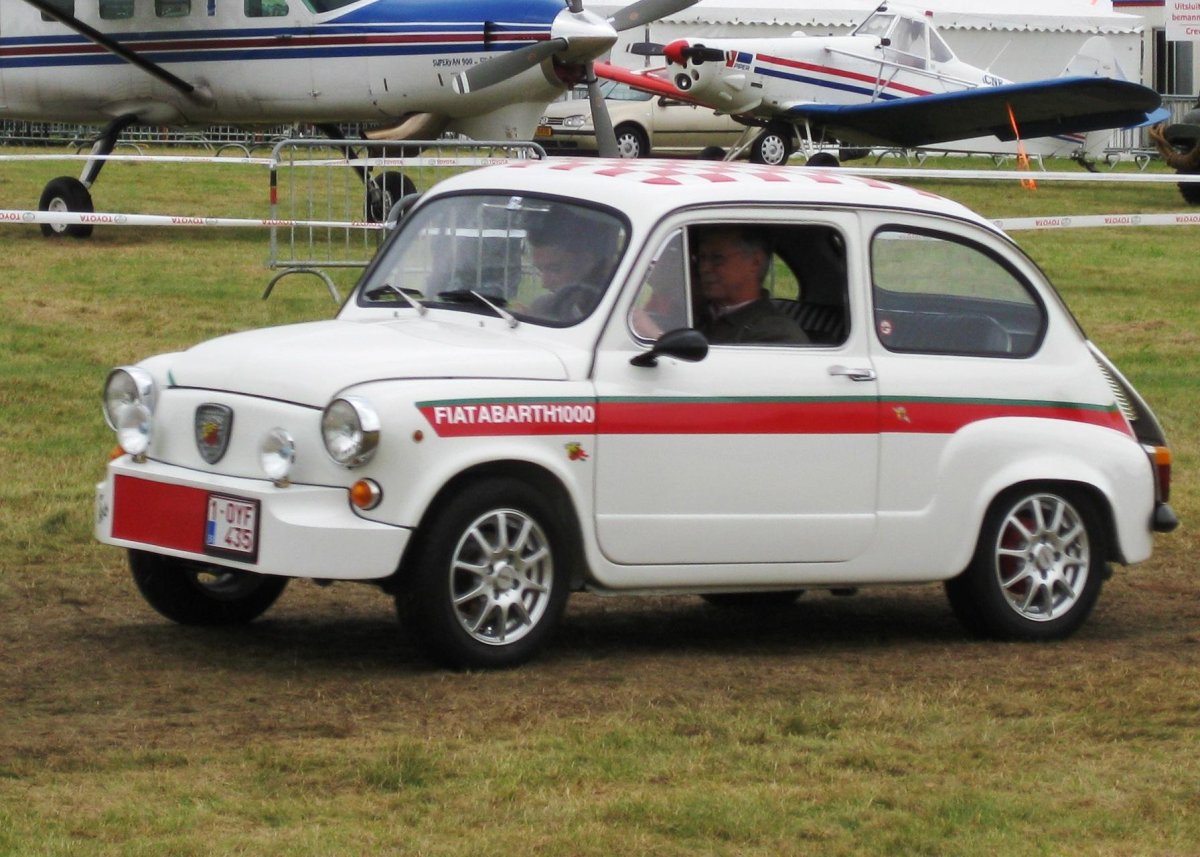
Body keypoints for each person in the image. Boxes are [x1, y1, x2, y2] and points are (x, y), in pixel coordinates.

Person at [692, 226, 809, 345]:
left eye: (717, 258)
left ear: (755, 263)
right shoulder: (699, 314)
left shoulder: (776, 332)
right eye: (702, 258)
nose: (704, 268)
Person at [526, 212, 610, 321]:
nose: (545, 283)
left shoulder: (619, 315)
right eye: (540, 270)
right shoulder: (542, 309)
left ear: (586, 261)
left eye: (555, 269)